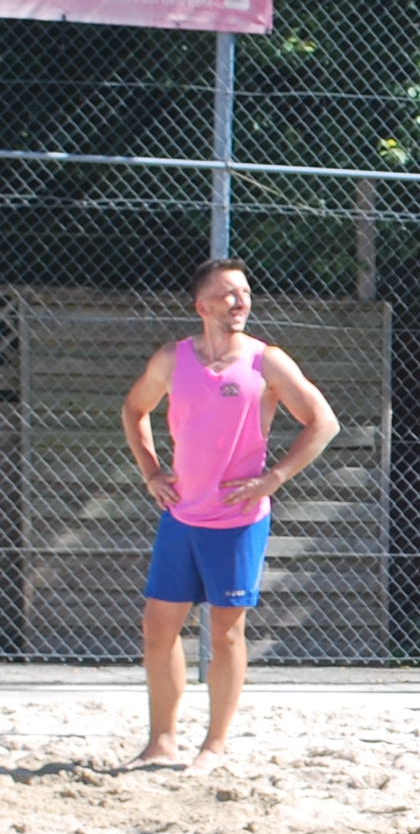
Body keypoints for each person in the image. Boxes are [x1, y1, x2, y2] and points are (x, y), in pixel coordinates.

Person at [119, 258, 340, 771]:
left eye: (244, 292)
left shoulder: (267, 362)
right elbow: (134, 409)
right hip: (182, 516)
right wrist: (151, 471)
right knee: (158, 627)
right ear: (202, 306)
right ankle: (161, 741)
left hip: (238, 521)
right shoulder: (173, 359)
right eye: (227, 294)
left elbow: (323, 422)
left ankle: (214, 745)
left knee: (226, 633)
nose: (240, 301)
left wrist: (274, 477)